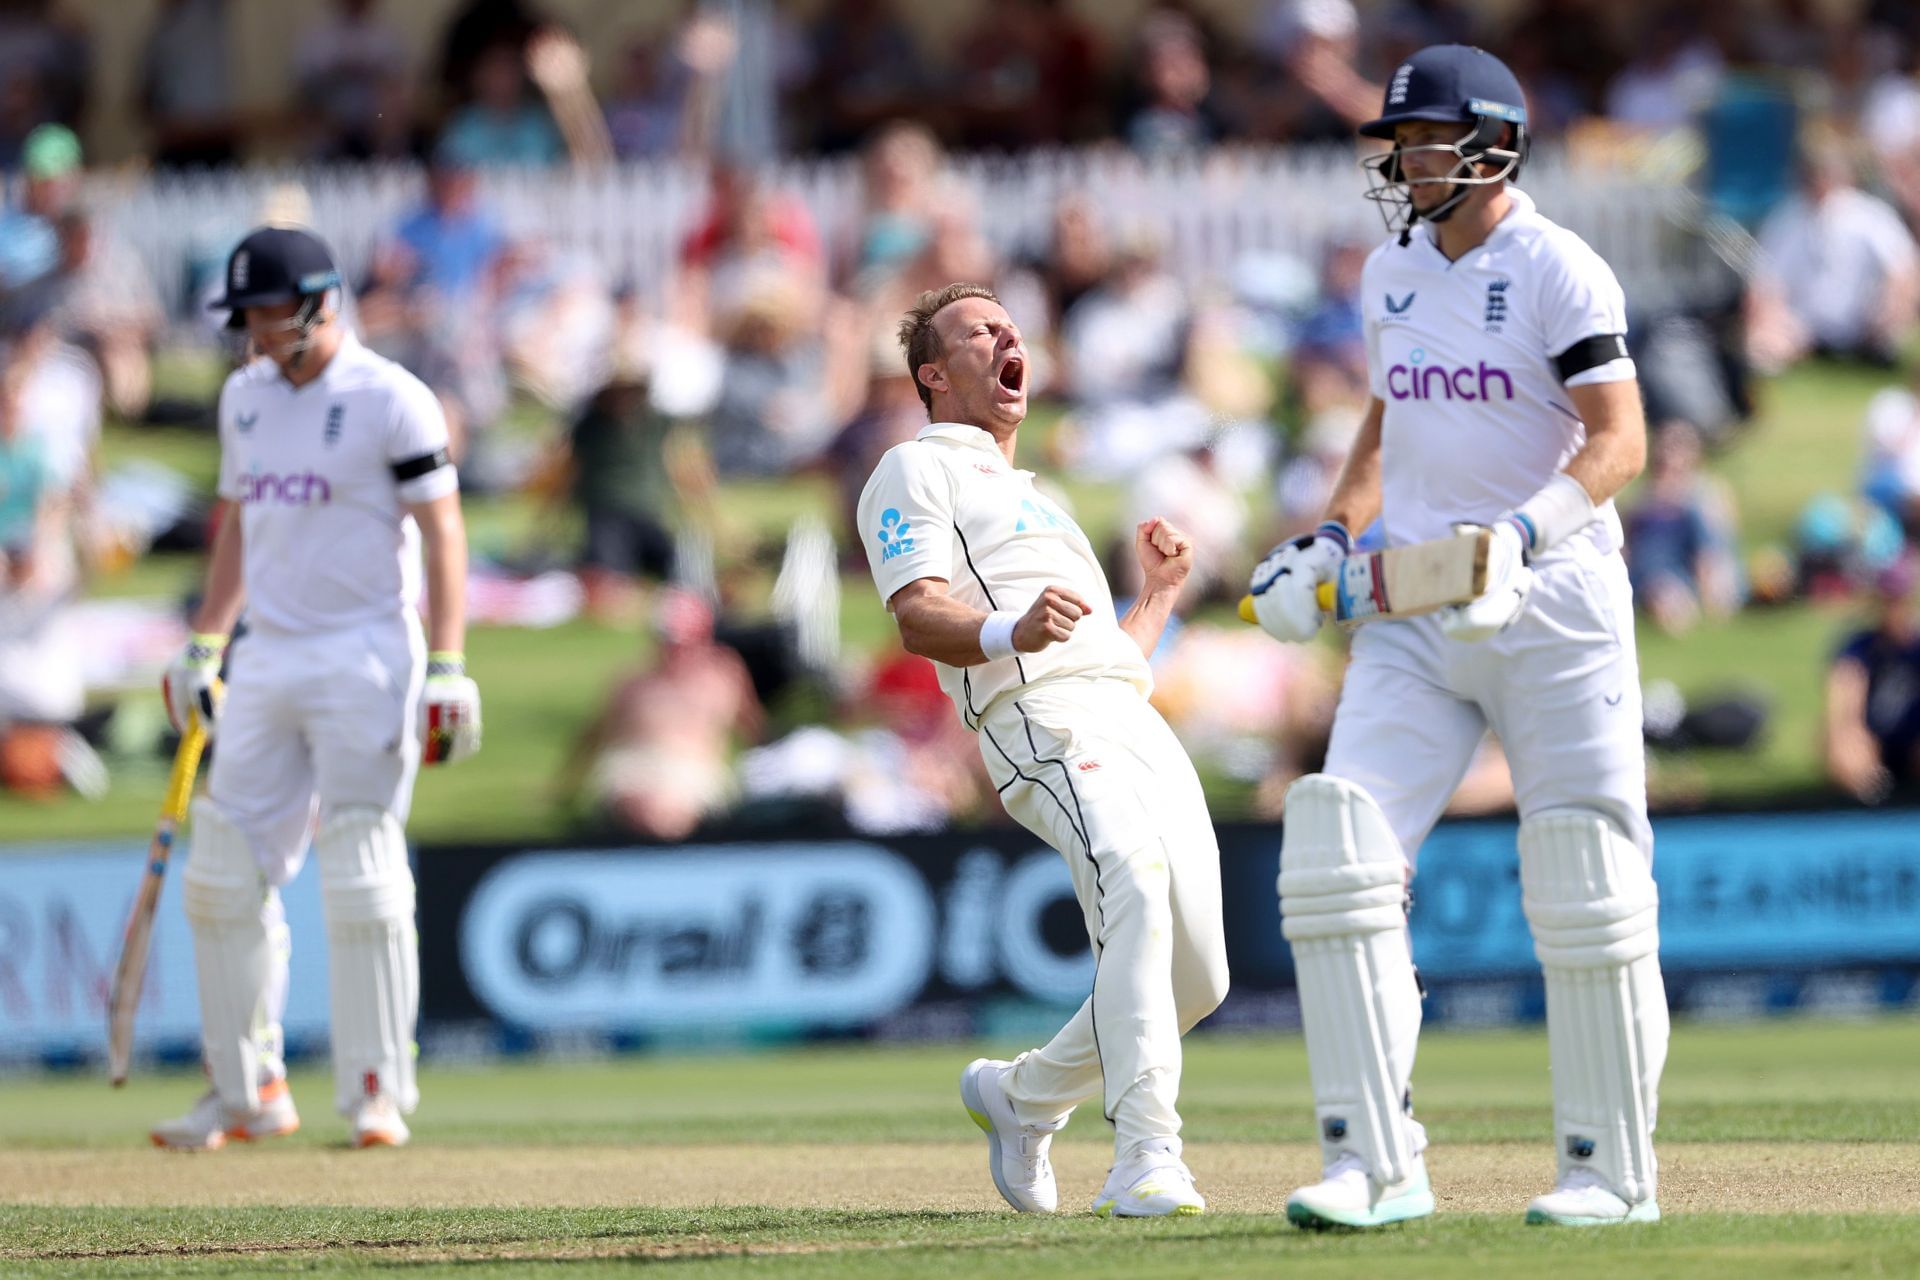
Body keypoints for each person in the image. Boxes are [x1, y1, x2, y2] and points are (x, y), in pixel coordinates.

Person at [1245, 46, 1668, 1229]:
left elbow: (1619, 439)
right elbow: (1385, 432)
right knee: (1336, 850)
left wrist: (1520, 536)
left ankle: (1608, 1171)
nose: (1406, 162)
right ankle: (1373, 1160)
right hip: (1414, 606)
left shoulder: (1559, 269)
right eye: (1400, 143)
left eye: (1425, 140)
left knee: (1586, 870)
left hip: (1556, 605)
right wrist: (1329, 539)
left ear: (1493, 146)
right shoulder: (1391, 271)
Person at [858, 283, 1227, 1217]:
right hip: (1038, 719)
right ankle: (1148, 1159)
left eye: (1011, 326)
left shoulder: (1045, 501)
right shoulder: (914, 466)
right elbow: (917, 616)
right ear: (933, 375)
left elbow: (1108, 655)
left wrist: (1159, 594)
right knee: (1134, 886)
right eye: (978, 331)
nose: (1005, 336)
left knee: (1200, 977)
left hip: (1132, 720)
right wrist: (1006, 632)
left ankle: (1020, 1098)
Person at [150, 226, 481, 1151]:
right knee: (219, 874)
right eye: (245, 316)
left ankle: (377, 1092)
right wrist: (205, 642)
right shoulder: (245, 397)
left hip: (368, 650)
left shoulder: (391, 398)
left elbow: (445, 532)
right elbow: (239, 524)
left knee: (362, 871)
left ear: (319, 302)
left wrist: (448, 664)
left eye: (267, 313)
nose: (254, 332)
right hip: (268, 652)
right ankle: (244, 1090)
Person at [1824, 555, 1920, 805]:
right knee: (1842, 743)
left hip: (1913, 743)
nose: (1893, 609)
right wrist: (1849, 732)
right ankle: (1872, 802)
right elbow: (1843, 707)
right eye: (1888, 600)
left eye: (1899, 600)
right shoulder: (1858, 649)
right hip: (1872, 745)